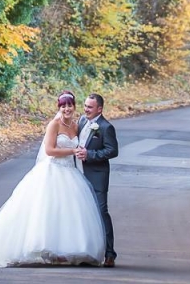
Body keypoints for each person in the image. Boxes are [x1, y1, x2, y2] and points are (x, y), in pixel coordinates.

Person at [0, 91, 105, 267]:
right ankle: (44, 248)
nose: (67, 109)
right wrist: (72, 151)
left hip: (70, 173)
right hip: (53, 170)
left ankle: (62, 251)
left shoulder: (76, 125)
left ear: (74, 107)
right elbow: (50, 151)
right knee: (46, 211)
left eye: (70, 105)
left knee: (68, 212)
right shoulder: (54, 125)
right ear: (59, 107)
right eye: (63, 106)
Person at [77, 92, 118, 267]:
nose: (86, 109)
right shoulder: (81, 122)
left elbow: (112, 151)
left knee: (101, 213)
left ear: (99, 109)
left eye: (90, 107)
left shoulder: (105, 127)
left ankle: (110, 254)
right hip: (78, 173)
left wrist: (90, 154)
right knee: (83, 214)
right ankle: (87, 252)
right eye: (85, 105)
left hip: (97, 176)